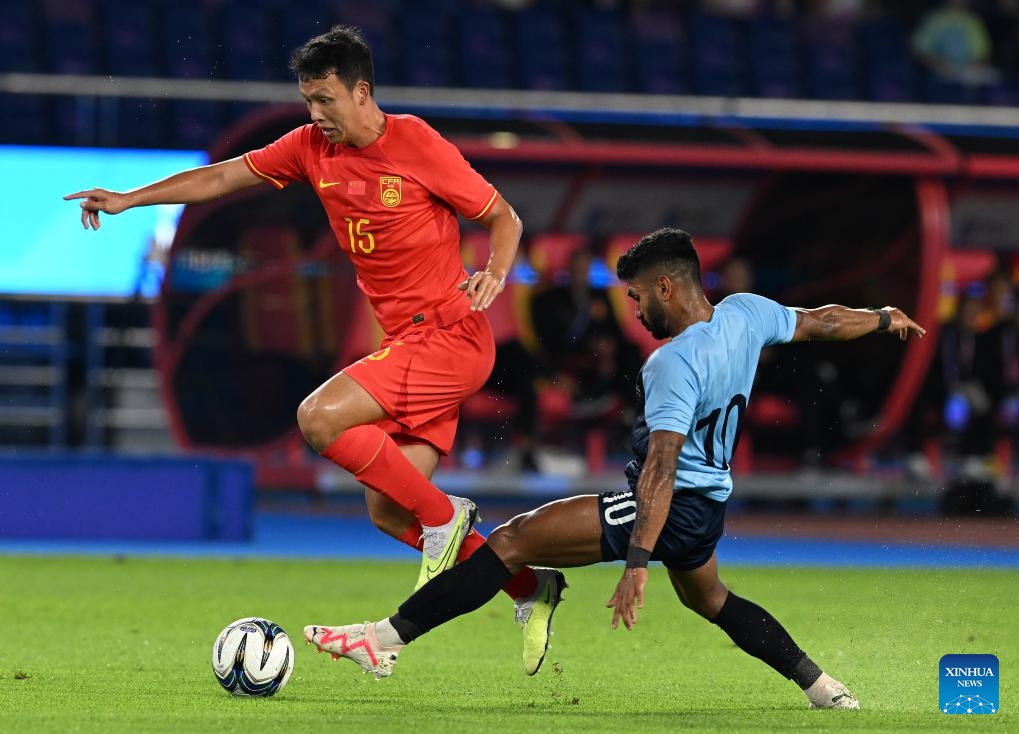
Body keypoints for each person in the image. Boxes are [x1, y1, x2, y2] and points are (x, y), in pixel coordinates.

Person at [304, 227, 926, 708]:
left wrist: (635, 564)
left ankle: (382, 642)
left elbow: (660, 467)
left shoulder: (671, 365)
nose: (630, 309)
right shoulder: (746, 313)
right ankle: (824, 689)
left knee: (513, 541)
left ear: (665, 288)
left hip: (670, 502)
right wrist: (881, 318)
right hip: (707, 507)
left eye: (633, 295)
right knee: (711, 598)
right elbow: (821, 321)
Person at [64, 26, 555, 625]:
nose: (315, 113)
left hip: (451, 337)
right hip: (408, 345)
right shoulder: (308, 148)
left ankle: (447, 519)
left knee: (319, 418)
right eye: (307, 101)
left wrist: (496, 272)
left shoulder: (416, 142)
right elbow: (220, 177)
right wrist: (128, 199)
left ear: (362, 91)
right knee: (388, 513)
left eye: (325, 99)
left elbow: (503, 216)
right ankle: (529, 585)